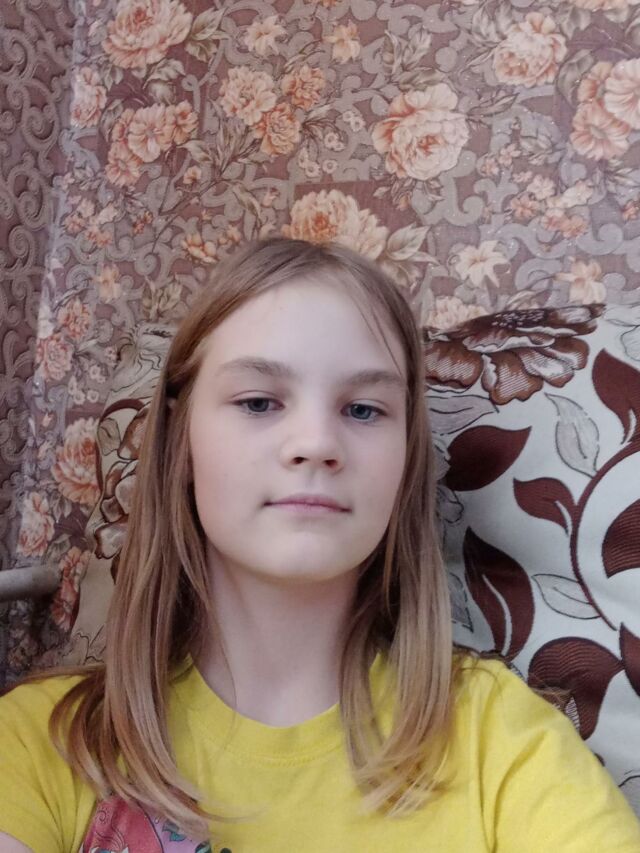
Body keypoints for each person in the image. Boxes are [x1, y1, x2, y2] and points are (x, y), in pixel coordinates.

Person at [0, 238, 639, 853]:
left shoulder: (506, 741)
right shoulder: (42, 740)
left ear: (405, 460)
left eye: (363, 410)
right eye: (258, 402)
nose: (316, 443)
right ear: (180, 441)